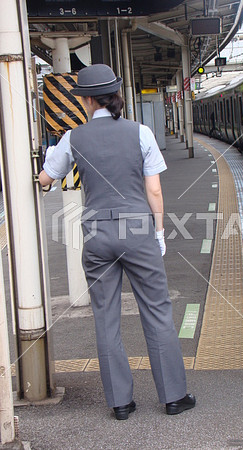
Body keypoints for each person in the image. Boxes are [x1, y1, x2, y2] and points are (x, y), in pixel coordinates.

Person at [39, 64, 195, 420]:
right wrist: (158, 234)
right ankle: (173, 397)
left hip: (97, 234)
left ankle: (121, 404)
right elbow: (153, 188)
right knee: (156, 311)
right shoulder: (140, 132)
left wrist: (42, 172)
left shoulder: (73, 138)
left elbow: (48, 176)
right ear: (116, 96)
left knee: (105, 316)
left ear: (89, 101)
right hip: (137, 232)